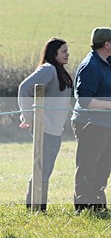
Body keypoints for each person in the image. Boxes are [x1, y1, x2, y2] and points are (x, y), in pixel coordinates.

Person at [17, 38, 73, 211]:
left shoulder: (59, 71)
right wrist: (28, 117)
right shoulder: (48, 69)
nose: (67, 54)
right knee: (42, 168)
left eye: (67, 51)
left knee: (45, 169)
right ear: (53, 53)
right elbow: (24, 88)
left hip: (55, 129)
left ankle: (37, 206)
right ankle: (35, 207)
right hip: (45, 129)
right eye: (63, 51)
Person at [72, 27, 111, 213]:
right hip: (90, 124)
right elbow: (85, 100)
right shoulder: (91, 66)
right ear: (107, 44)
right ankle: (83, 207)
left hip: (105, 125)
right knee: (88, 166)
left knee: (104, 166)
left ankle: (97, 205)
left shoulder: (107, 63)